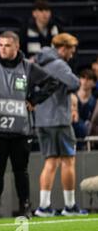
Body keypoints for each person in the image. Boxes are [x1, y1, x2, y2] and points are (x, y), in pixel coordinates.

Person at [0, 31, 58, 220]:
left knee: (21, 171)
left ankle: (25, 206)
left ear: (17, 47)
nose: (3, 49)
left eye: (7, 45)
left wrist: (34, 101)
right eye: (0, 45)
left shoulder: (28, 67)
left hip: (20, 130)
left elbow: (52, 83)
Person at [34, 33, 88, 217]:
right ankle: (70, 205)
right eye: (70, 51)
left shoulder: (37, 61)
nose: (71, 55)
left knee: (50, 162)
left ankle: (44, 206)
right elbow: (74, 82)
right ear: (63, 48)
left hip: (41, 119)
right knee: (68, 160)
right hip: (58, 119)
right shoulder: (58, 64)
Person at [72, 69, 97, 149]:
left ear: (94, 83)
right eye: (83, 77)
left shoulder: (95, 102)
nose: (85, 81)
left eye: (88, 78)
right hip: (72, 133)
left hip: (89, 135)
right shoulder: (71, 98)